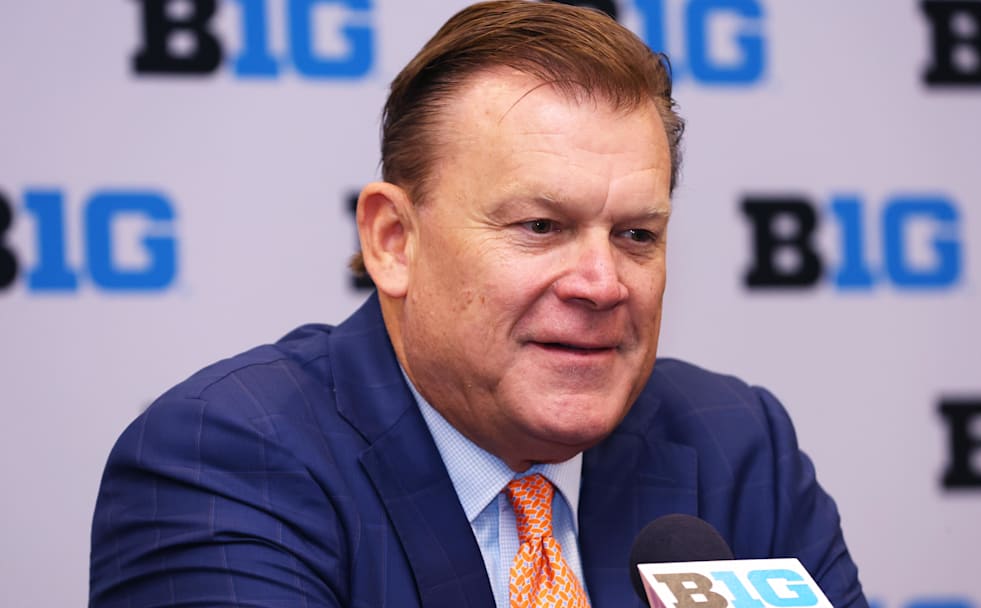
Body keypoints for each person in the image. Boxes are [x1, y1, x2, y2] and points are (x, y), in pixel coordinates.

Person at [90, 2, 869, 607]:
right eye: (540, 226)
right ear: (394, 240)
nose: (600, 284)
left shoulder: (736, 447)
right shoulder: (228, 459)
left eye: (635, 233)